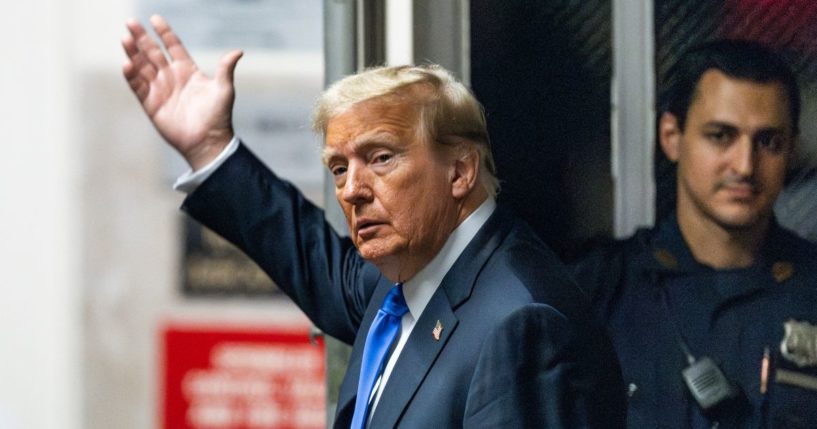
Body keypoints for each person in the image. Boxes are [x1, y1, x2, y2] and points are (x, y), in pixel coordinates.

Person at [122, 15, 625, 428]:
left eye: (381, 158)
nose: (351, 190)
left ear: (461, 171)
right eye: (339, 168)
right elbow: (316, 261)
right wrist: (210, 149)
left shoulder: (519, 324)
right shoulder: (412, 276)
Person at [572, 39, 817, 429]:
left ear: (792, 150)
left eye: (768, 142)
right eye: (720, 135)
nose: (745, 165)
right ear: (672, 136)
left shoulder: (810, 292)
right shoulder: (599, 293)